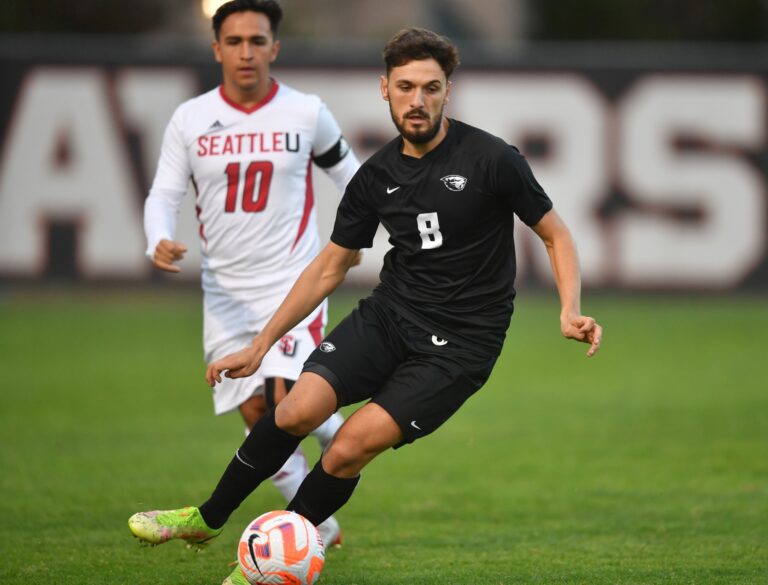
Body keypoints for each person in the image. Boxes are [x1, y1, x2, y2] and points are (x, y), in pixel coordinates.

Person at [129, 27, 602, 585]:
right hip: (390, 316)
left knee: (349, 446)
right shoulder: (375, 177)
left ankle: (265, 563)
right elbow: (331, 266)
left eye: (430, 87)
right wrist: (260, 346)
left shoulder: (492, 159)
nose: (417, 100)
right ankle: (206, 519)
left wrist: (569, 309)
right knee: (296, 409)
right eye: (405, 87)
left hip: (461, 346)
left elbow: (556, 235)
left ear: (448, 90)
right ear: (385, 89)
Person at [140, 0, 360, 548]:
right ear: (217, 49)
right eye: (234, 41)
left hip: (294, 283)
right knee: (256, 412)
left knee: (284, 406)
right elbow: (164, 193)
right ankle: (325, 504)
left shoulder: (306, 112)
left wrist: (356, 238)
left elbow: (355, 180)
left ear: (274, 48)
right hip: (224, 295)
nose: (246, 52)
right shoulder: (190, 119)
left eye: (256, 41)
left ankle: (316, 492)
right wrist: (156, 237)